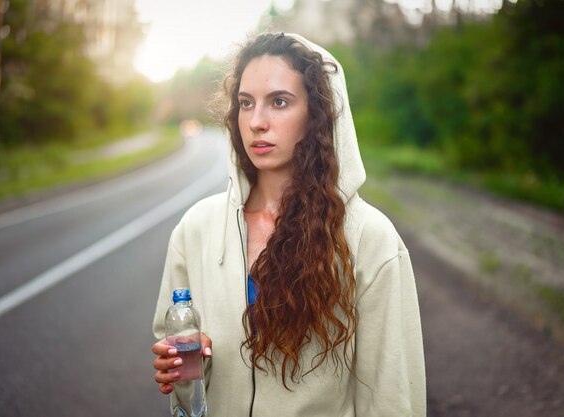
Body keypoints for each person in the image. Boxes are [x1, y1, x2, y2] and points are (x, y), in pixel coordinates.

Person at [151, 32, 426, 416]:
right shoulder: (196, 228)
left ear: (316, 114)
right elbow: (181, 374)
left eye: (279, 102)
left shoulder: (368, 238)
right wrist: (180, 368)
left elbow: (392, 393)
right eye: (246, 104)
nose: (257, 122)